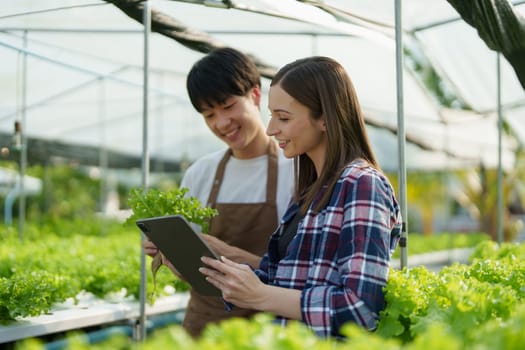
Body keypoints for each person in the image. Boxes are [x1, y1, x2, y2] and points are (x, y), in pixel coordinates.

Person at [199, 56, 402, 338]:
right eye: (271, 115)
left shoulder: (362, 185)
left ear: (325, 119)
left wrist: (260, 295)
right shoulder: (311, 191)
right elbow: (279, 278)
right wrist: (211, 265)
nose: (271, 129)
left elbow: (361, 307)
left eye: (283, 117)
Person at [143, 47, 294, 337]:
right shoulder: (200, 172)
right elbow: (193, 267)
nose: (221, 123)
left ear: (255, 95)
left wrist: (234, 257)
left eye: (227, 106)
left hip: (269, 325)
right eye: (209, 114)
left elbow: (302, 270)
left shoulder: (296, 169)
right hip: (205, 324)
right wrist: (168, 252)